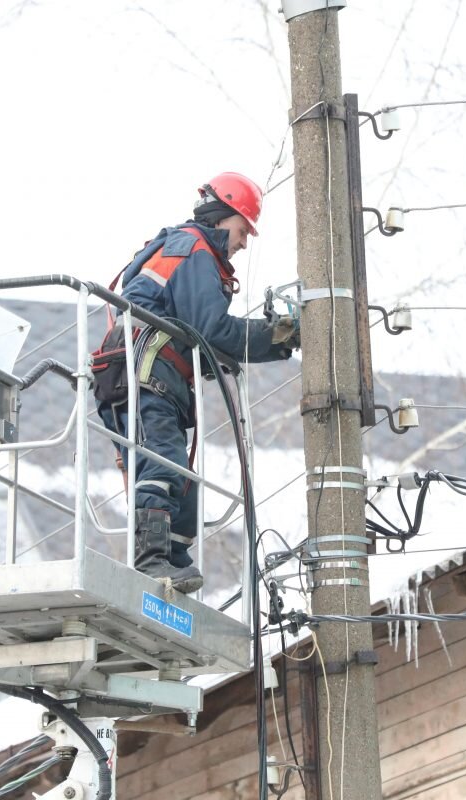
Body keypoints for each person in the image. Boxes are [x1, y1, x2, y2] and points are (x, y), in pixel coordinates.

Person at [95, 172, 299, 594]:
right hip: (145, 373)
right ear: (223, 216)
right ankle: (151, 560)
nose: (244, 243)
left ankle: (173, 561)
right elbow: (214, 330)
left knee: (180, 479)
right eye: (243, 230)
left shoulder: (190, 252)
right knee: (163, 462)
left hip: (150, 375)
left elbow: (199, 336)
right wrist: (277, 335)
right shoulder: (194, 250)